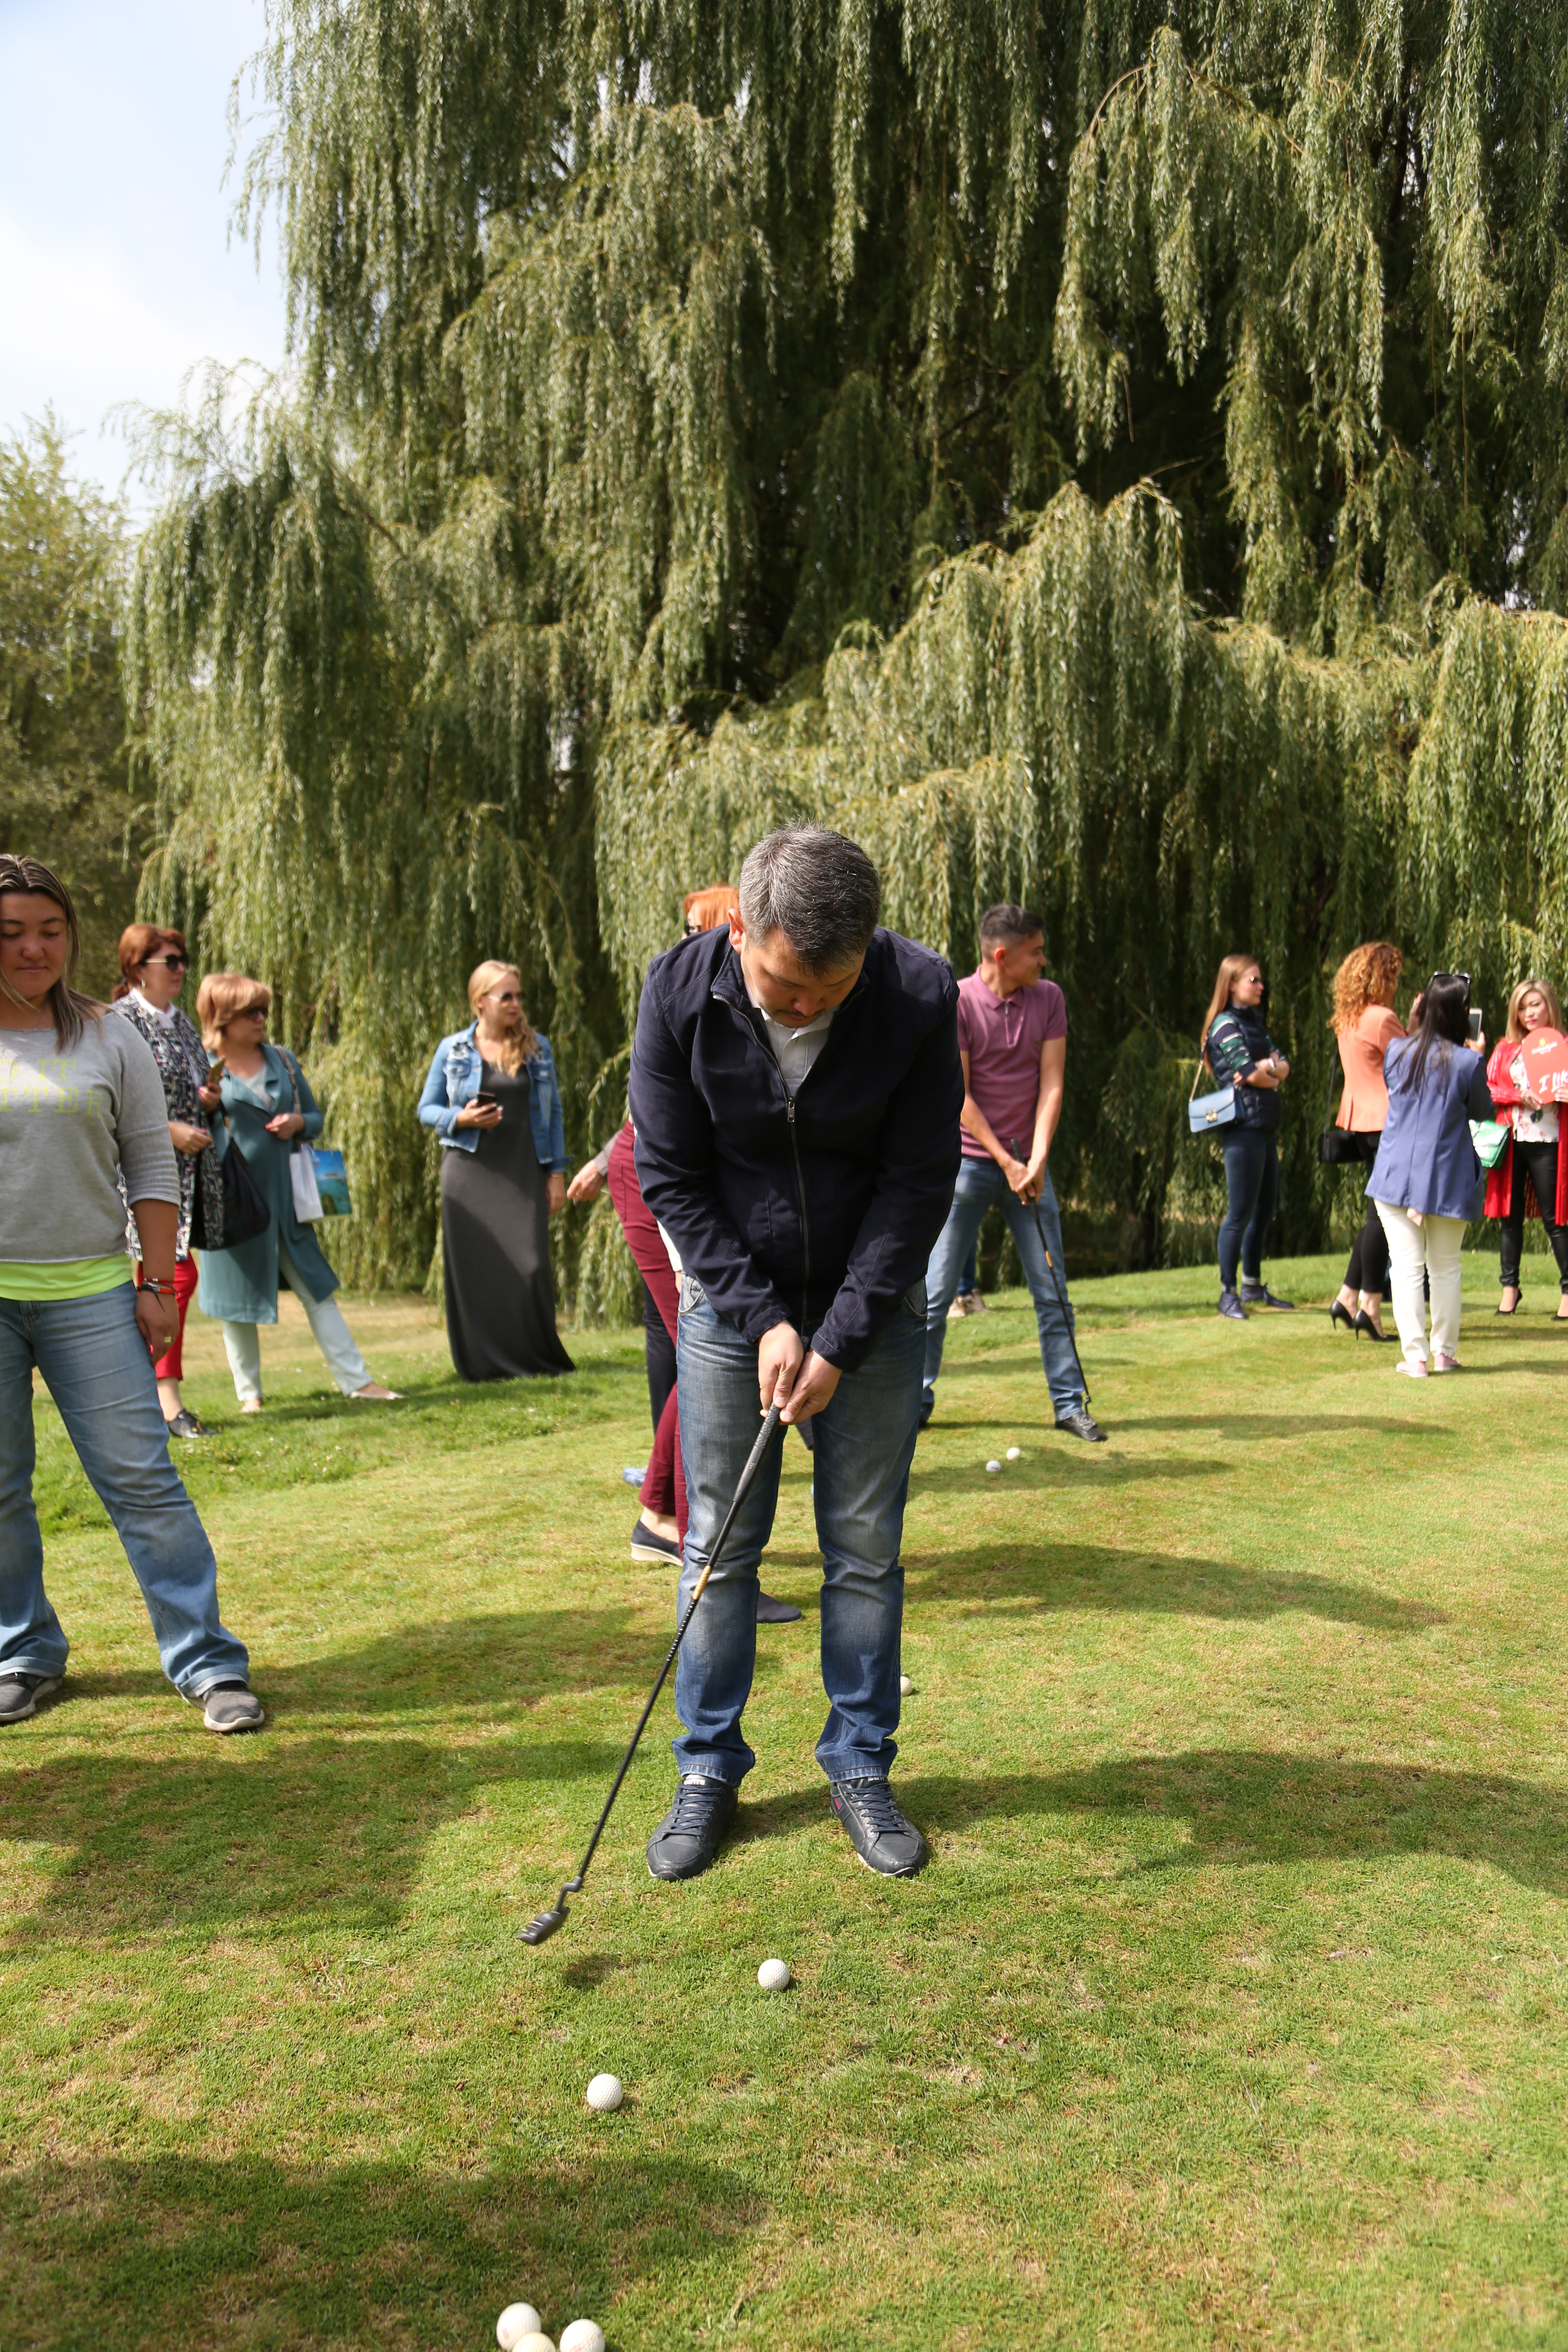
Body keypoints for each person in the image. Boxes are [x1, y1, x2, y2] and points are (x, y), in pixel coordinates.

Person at [629, 825, 962, 1882]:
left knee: (863, 1553)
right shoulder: (678, 992)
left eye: (830, 987)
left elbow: (917, 1186)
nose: (804, 1005)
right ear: (739, 932)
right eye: (783, 984)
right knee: (717, 1553)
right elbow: (672, 1178)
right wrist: (766, 1320)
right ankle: (706, 1771)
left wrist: (838, 1338)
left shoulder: (917, 994)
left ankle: (860, 1764)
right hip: (733, 1311)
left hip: (873, 1308)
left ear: (868, 949)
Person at [0, 855, 261, 1733]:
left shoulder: (111, 1034)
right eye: (10, 933)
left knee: (142, 1480)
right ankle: (23, 1650)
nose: (33, 947)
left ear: (72, 936)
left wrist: (156, 1284)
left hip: (92, 1294)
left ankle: (208, 1662)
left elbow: (151, 1164)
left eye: (49, 929)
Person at [569, 884, 802, 1622]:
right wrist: (692, 1263)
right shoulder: (682, 982)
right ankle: (671, 1524)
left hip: (659, 1175)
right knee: (715, 1355)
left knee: (688, 1351)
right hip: (669, 1197)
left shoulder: (752, 997)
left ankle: (665, 1516)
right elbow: (667, 1132)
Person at [920, 904, 1103, 1440]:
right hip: (970, 1166)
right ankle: (916, 1403)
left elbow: (1052, 1083)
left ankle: (1070, 1404)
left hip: (1032, 1169)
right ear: (1003, 955)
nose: (1044, 960)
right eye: (1036, 952)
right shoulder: (957, 1002)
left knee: (1053, 1292)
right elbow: (959, 1096)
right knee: (934, 1296)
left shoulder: (1049, 999)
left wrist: (1038, 1160)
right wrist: (1008, 1161)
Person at [198, 974, 399, 1411]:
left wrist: (297, 1124)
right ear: (223, 1019)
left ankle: (359, 1383)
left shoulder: (282, 1060)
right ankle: (249, 1396)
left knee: (317, 1289)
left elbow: (315, 1117)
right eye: (251, 1012)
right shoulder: (202, 1065)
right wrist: (207, 1107)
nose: (261, 1019)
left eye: (264, 1010)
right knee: (236, 1301)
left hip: (289, 1200)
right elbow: (190, 1133)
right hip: (232, 1202)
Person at [418, 961, 573, 1381]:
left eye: (519, 996)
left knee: (530, 1265)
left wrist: (556, 1175)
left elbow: (553, 1113)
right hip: (468, 1172)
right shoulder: (453, 1050)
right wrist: (461, 1119)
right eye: (507, 997)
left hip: (523, 1169)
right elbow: (426, 1109)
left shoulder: (536, 1048)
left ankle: (535, 1358)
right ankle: (483, 1364)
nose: (516, 1004)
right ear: (480, 1002)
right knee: (477, 1270)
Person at [109, 922, 225, 1432]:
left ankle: (143, 1394)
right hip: (141, 1170)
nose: (181, 970)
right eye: (169, 962)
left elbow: (190, 1082)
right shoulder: (119, 1022)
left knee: (173, 1277)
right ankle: (164, 1401)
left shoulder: (178, 1023)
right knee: (172, 1278)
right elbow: (108, 1102)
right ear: (138, 969)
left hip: (190, 1174)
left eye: (183, 960)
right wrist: (169, 1130)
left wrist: (208, 1101)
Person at [1368, 971, 1491, 1376]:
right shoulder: (1470, 1062)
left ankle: (1416, 1358)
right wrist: (1478, 1054)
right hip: (1447, 1177)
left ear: (1421, 1009)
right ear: (1461, 1013)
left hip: (1396, 1173)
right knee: (1445, 1266)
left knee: (1406, 1267)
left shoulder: (1397, 1052)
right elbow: (1483, 1116)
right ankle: (1444, 1352)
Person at [1201, 953, 1294, 1320]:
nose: (1261, 986)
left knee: (1265, 1210)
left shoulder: (1254, 1023)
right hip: (1243, 1128)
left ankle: (1252, 1285)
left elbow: (1282, 1065)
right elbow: (1246, 1073)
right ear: (1233, 984)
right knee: (1239, 1212)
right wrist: (1266, 1071)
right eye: (1253, 980)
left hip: (1264, 1125)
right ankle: (1228, 1293)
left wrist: (1267, 1067)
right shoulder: (1224, 1025)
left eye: (1260, 980)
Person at [1327, 941, 1406, 1342]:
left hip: (1358, 1120)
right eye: (1394, 975)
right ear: (1382, 977)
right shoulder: (1381, 1018)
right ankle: (1371, 1307)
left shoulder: (1349, 1017)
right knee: (1384, 1216)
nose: (1397, 982)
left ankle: (1348, 1296)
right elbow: (1411, 1065)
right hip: (1386, 1121)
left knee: (1378, 1211)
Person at [1485, 977, 1568, 1318]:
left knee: (1556, 1220)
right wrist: (1516, 1095)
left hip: (1549, 1141)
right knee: (1510, 1218)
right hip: (1512, 1140)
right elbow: (1488, 1088)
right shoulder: (1506, 1049)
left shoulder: (1563, 1046)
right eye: (1522, 1007)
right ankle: (1510, 1290)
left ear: (1550, 1005)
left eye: (1535, 1004)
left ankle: (1567, 1293)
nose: (1529, 1013)